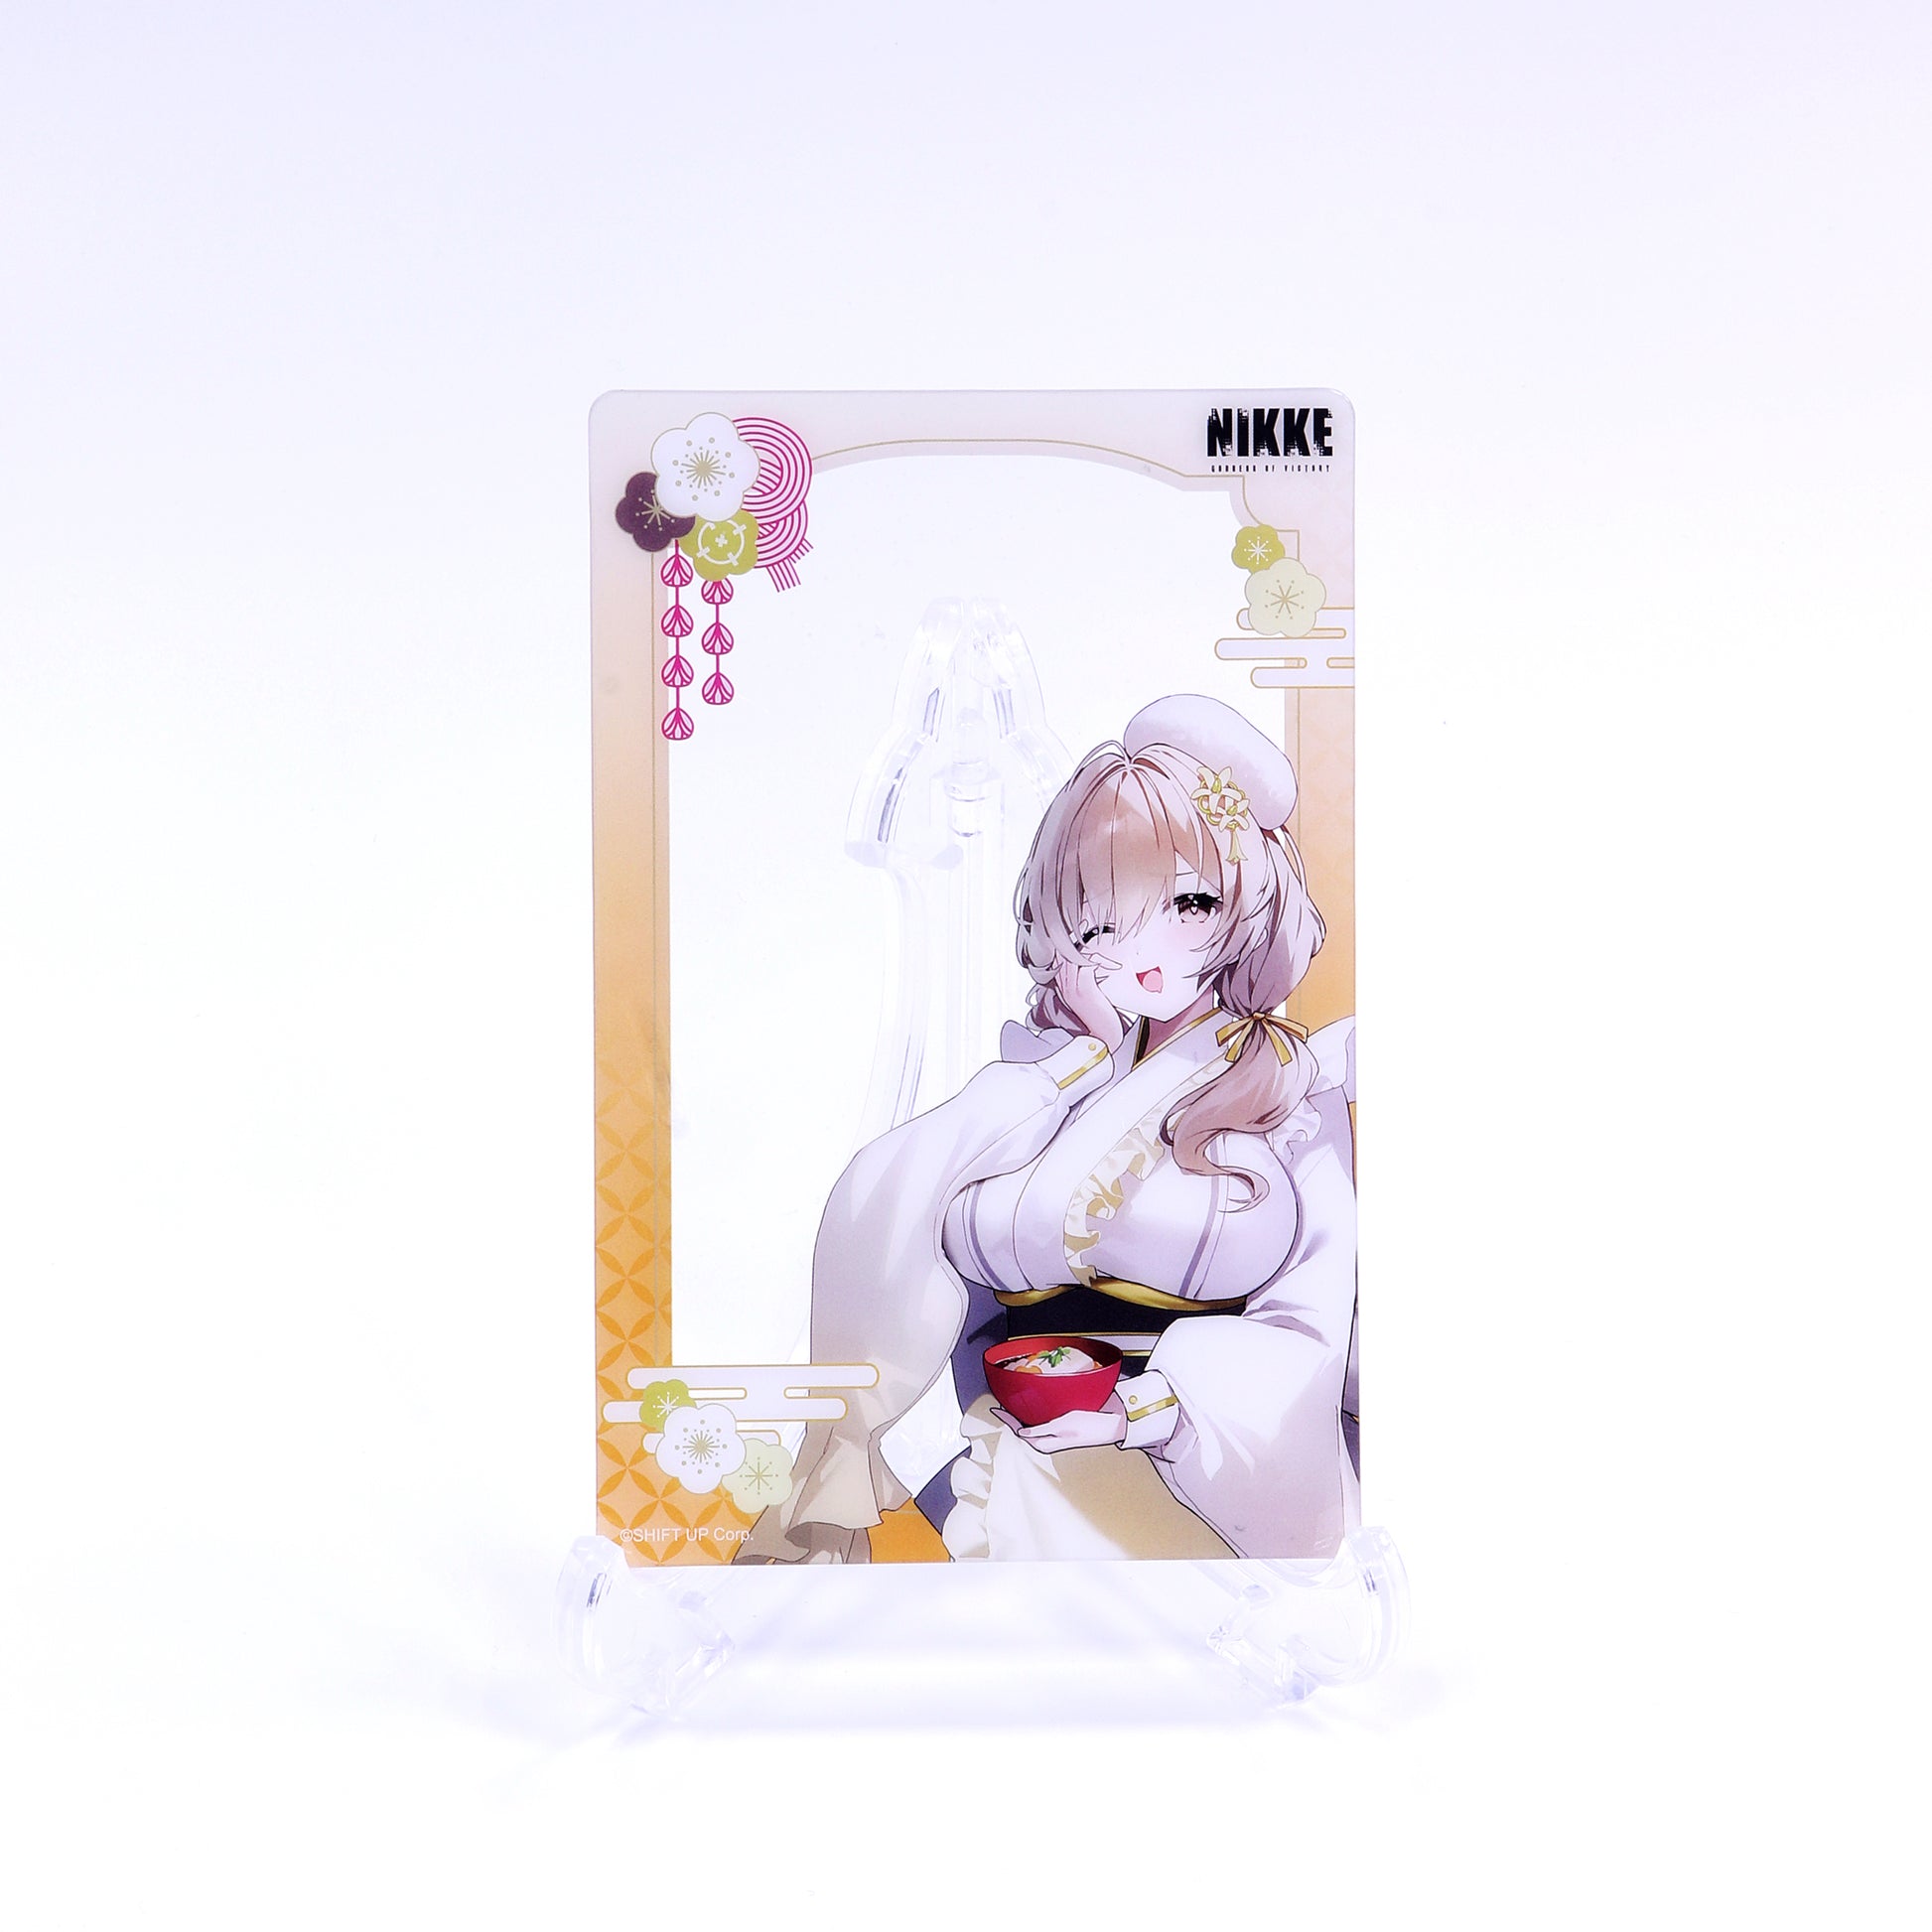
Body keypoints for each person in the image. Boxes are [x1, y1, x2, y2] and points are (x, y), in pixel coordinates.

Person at [737, 694, 1357, 1563]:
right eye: (1102, 920)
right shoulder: (1044, 1083)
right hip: (1012, 1444)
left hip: (1187, 1473)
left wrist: (1143, 1409)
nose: (1145, 953)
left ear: (1248, 900)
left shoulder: (1291, 1090)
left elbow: (1310, 1329)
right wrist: (1066, 1072)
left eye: (1190, 903)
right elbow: (905, 1224)